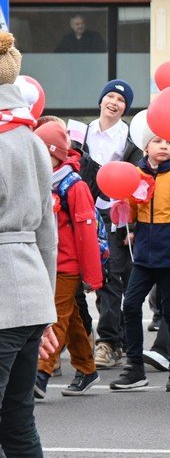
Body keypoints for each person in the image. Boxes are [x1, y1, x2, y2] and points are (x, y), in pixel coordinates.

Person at [0, 31, 60, 457]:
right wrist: (47, 309)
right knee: (19, 422)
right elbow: (48, 233)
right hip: (31, 291)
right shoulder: (31, 138)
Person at [109, 130, 170, 393]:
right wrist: (126, 217)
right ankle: (134, 367)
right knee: (131, 305)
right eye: (157, 141)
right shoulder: (137, 174)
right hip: (145, 254)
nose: (164, 147)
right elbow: (134, 208)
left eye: (169, 142)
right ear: (145, 146)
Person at [33, 122, 104, 398]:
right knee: (71, 316)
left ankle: (41, 374)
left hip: (66, 265)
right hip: (45, 261)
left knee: (55, 317)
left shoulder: (73, 186)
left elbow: (86, 232)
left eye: (43, 152)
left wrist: (92, 275)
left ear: (57, 154)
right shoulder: (40, 180)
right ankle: (87, 369)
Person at [79, 80, 138, 371]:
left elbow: (139, 182)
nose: (114, 103)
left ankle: (109, 342)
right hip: (82, 213)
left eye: (121, 100)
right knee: (82, 279)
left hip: (115, 216)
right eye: (110, 97)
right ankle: (91, 338)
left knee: (112, 276)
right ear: (101, 100)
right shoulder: (81, 132)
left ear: (126, 107)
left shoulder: (131, 138)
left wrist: (134, 224)